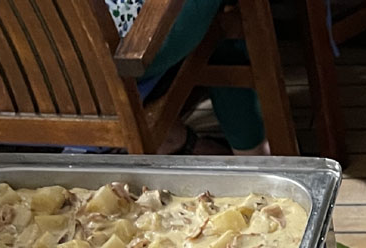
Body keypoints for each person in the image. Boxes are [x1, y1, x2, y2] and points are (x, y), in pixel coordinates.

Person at [105, 0, 269, 155]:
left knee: (222, 18)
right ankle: (252, 152)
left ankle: (249, 150)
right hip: (129, 54)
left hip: (97, 68)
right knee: (226, 15)